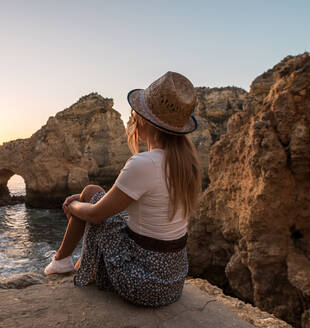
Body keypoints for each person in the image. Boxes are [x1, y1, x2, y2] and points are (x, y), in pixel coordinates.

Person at [44, 71, 201, 307]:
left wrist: (74, 205)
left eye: (136, 114)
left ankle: (61, 261)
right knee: (92, 192)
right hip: (172, 281)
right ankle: (65, 262)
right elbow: (142, 206)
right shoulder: (186, 163)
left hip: (143, 284)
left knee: (90, 195)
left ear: (144, 120)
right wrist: (85, 200)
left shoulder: (144, 163)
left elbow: (97, 214)